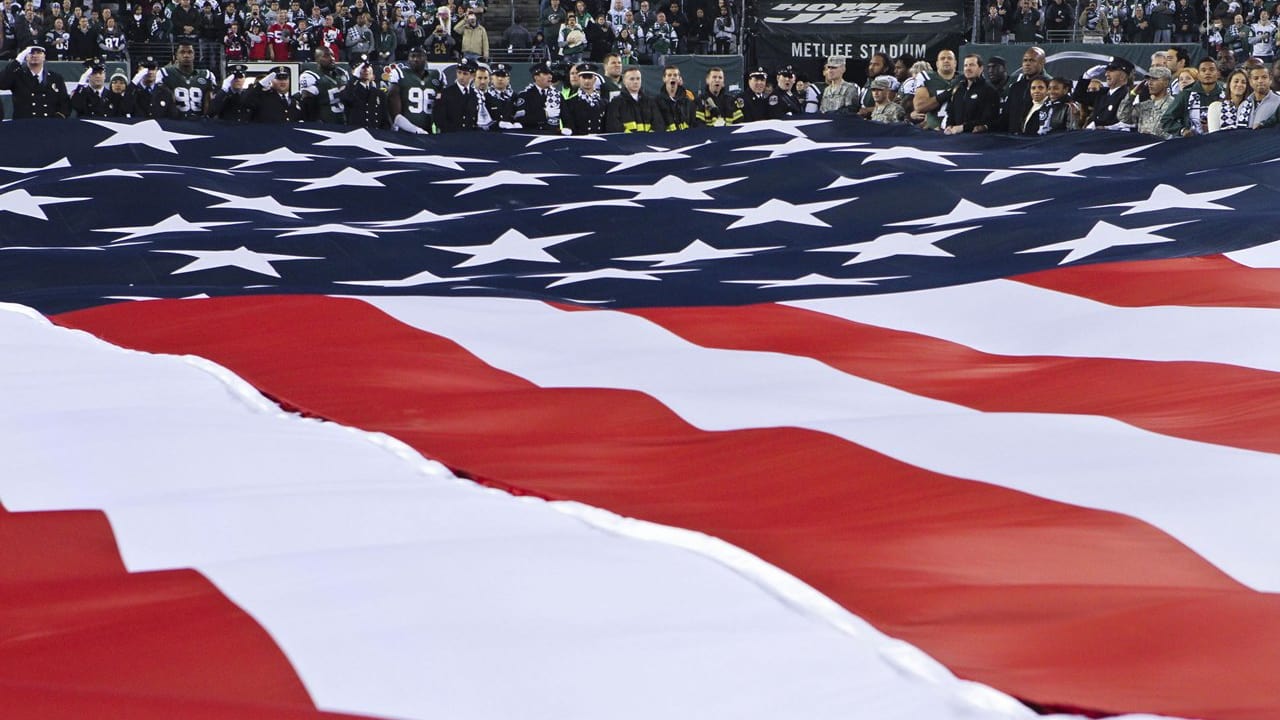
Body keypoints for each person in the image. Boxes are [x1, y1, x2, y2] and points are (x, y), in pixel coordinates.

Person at [153, 41, 216, 118]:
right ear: (176, 55)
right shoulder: (165, 73)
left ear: (194, 55)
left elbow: (210, 106)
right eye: (182, 52)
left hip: (200, 124)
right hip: (175, 123)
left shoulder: (206, 75)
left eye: (190, 52)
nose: (186, 55)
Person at [1164, 58, 1224, 136]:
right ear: (1198, 75)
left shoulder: (1226, 94)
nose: (1207, 73)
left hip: (1220, 141)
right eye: (1203, 70)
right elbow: (1166, 119)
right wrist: (1183, 130)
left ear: (1218, 74)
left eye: (1211, 69)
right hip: (1192, 143)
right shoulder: (1186, 94)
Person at [944, 53, 1000, 134]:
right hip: (955, 137)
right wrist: (949, 125)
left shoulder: (989, 91)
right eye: (965, 65)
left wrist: (963, 128)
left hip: (977, 139)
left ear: (981, 68)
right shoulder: (958, 89)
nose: (968, 68)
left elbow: (988, 119)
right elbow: (951, 112)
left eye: (972, 65)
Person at [387, 45, 434, 133]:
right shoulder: (399, 74)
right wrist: (415, 130)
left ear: (425, 58)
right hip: (406, 131)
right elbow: (394, 112)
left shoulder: (437, 76)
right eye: (413, 56)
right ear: (408, 58)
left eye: (419, 56)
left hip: (430, 131)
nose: (415, 59)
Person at [1118, 65, 1175, 137]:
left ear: (1166, 82)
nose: (1150, 83)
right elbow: (1123, 117)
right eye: (1148, 79)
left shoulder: (1174, 105)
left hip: (1163, 146)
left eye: (1154, 79)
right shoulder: (1144, 106)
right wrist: (1132, 94)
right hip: (1144, 145)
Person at [1003, 46, 1050, 133]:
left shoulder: (1051, 86)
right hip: (1013, 140)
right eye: (1025, 60)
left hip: (1039, 140)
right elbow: (1006, 116)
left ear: (1042, 62)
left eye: (1032, 60)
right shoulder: (1015, 88)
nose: (1027, 64)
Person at [299, 46, 350, 123]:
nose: (332, 58)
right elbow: (307, 105)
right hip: (324, 122)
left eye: (332, 55)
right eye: (326, 56)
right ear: (317, 59)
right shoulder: (310, 75)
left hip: (344, 120)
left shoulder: (342, 73)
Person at [605, 65, 663, 131]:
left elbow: (658, 123)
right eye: (632, 79)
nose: (636, 82)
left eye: (638, 79)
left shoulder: (650, 102)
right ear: (624, 81)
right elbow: (613, 125)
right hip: (626, 140)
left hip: (649, 140)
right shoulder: (616, 102)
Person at [913, 47, 959, 129]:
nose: (946, 60)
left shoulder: (963, 79)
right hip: (934, 131)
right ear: (937, 64)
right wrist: (948, 93)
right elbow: (920, 106)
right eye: (942, 58)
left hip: (957, 129)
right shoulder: (927, 77)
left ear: (955, 63)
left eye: (949, 58)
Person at [509, 61, 561, 131]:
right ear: (536, 77)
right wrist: (545, 114)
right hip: (533, 134)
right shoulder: (524, 95)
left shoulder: (557, 95)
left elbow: (566, 116)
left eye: (551, 74)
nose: (550, 76)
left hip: (554, 135)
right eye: (546, 73)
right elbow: (521, 119)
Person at [433, 55, 479, 131]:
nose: (461, 77)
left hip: (470, 137)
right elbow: (439, 120)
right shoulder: (446, 93)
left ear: (473, 76)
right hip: (450, 137)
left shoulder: (475, 94)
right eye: (459, 72)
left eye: (465, 74)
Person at [340, 58, 390, 127]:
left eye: (368, 67)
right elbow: (347, 98)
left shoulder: (379, 93)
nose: (365, 69)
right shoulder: (349, 90)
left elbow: (384, 119)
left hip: (376, 134)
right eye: (361, 67)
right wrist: (355, 77)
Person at [560, 59, 606, 133]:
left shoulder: (604, 103)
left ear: (594, 79)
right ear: (579, 79)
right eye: (584, 77)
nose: (587, 81)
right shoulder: (569, 103)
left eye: (590, 77)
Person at [1087, 56, 1133, 128]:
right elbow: (1079, 96)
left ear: (1122, 76)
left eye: (1111, 71)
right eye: (1107, 71)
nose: (1106, 74)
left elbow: (1129, 123)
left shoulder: (1128, 95)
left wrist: (1105, 127)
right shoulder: (1102, 93)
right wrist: (1087, 76)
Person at [654, 63, 694, 129]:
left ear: (679, 79)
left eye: (675, 75)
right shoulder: (656, 102)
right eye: (669, 75)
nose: (672, 77)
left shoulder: (688, 102)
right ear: (664, 79)